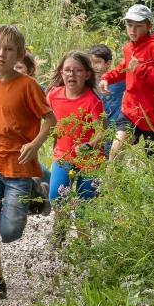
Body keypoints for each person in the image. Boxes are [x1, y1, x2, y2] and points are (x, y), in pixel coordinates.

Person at [0, 24, 56, 301]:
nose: (1, 54)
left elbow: (50, 119)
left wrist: (35, 145)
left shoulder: (27, 86)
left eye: (8, 50)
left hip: (19, 165)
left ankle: (36, 191)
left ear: (19, 54)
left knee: (10, 232)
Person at [102, 4, 154, 157]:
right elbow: (124, 68)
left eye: (138, 25)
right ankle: (110, 175)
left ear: (149, 26)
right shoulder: (128, 48)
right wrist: (106, 78)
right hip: (131, 111)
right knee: (115, 152)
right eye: (129, 25)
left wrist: (141, 69)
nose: (133, 30)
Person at [45, 51, 106, 205]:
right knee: (57, 197)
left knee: (85, 205)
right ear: (61, 73)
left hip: (90, 159)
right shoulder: (53, 95)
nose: (71, 74)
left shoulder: (93, 101)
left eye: (77, 70)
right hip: (63, 155)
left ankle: (83, 222)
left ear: (87, 75)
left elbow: (103, 132)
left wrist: (90, 146)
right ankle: (60, 221)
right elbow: (43, 116)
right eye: (67, 70)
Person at [90, 43, 129, 158]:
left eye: (97, 62)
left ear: (108, 63)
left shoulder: (117, 81)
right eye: (91, 62)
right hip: (94, 128)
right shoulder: (87, 82)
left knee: (110, 157)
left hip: (113, 128)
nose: (93, 66)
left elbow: (134, 83)